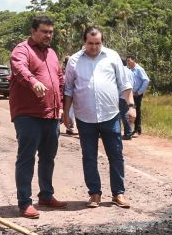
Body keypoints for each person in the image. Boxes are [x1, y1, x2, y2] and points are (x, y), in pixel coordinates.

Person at [63, 26, 135, 209]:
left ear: (102, 41)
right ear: (84, 42)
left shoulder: (112, 56)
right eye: (90, 43)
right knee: (89, 156)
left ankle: (118, 193)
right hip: (85, 118)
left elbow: (124, 84)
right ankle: (94, 194)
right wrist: (66, 113)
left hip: (110, 115)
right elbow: (69, 89)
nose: (94, 47)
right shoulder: (74, 61)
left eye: (98, 43)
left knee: (116, 155)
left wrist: (131, 106)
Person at [9, 15, 67, 219]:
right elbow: (19, 68)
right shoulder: (22, 49)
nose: (48, 35)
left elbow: (59, 80)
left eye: (51, 32)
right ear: (33, 31)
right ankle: (25, 202)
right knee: (26, 158)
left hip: (50, 115)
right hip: (28, 115)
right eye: (44, 31)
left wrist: (60, 107)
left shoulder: (51, 53)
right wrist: (33, 82)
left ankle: (46, 195)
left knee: (48, 157)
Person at [126, 55, 150, 136]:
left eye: (129, 60)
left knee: (136, 111)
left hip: (137, 94)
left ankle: (137, 129)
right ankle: (134, 129)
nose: (128, 62)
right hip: (131, 94)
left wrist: (139, 92)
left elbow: (146, 80)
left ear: (134, 60)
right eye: (127, 61)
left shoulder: (139, 69)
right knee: (131, 111)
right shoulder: (130, 70)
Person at [119, 61, 135, 140]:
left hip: (121, 96)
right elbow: (133, 82)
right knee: (126, 114)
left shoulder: (121, 71)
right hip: (129, 95)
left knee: (121, 115)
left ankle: (126, 133)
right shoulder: (130, 71)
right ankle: (128, 132)